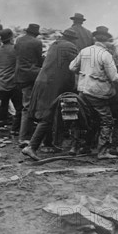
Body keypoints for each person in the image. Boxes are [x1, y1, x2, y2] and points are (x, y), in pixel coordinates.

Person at [69, 26, 118, 159]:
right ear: (107, 41)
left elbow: (72, 67)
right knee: (107, 121)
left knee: (90, 120)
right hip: (98, 93)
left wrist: (86, 74)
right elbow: (114, 77)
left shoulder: (85, 51)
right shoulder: (105, 55)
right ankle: (102, 152)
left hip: (83, 91)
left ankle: (84, 147)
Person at [22, 29, 79, 160]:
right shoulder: (70, 46)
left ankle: (47, 144)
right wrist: (73, 85)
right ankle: (31, 147)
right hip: (53, 85)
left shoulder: (55, 44)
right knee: (47, 115)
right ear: (74, 39)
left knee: (48, 113)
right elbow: (74, 67)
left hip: (43, 81)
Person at [14, 23, 44, 145]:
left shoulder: (19, 40)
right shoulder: (37, 42)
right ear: (36, 33)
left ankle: (24, 134)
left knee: (26, 105)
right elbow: (38, 59)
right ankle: (24, 137)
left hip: (20, 75)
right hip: (31, 76)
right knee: (28, 107)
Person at [0, 28, 23, 134]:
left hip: (1, 79)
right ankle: (15, 128)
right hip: (13, 80)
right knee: (19, 106)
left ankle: (1, 121)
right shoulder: (15, 49)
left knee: (4, 103)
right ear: (11, 38)